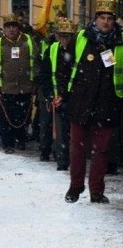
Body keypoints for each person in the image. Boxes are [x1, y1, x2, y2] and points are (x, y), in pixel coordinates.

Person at [63, 0, 123, 204]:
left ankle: (96, 190)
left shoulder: (120, 41)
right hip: (81, 101)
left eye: (109, 18)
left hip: (108, 103)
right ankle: (75, 187)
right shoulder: (81, 37)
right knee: (77, 148)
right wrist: (63, 94)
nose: (105, 22)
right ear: (95, 19)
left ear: (114, 20)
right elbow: (66, 67)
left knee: (102, 150)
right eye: (102, 17)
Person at [0, 13, 38, 153]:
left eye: (14, 26)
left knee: (24, 116)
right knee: (6, 118)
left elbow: (36, 62)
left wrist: (35, 81)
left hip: (25, 87)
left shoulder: (28, 41)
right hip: (6, 87)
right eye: (8, 27)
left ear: (18, 28)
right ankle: (8, 143)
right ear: (4, 29)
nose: (11, 30)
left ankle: (21, 140)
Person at [39, 18, 78, 172]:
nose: (65, 40)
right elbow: (45, 74)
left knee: (75, 133)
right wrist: (50, 95)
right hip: (57, 98)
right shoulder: (52, 50)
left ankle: (74, 160)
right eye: (62, 36)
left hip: (75, 98)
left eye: (68, 36)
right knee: (60, 132)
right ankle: (62, 161)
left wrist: (66, 95)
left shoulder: (78, 50)